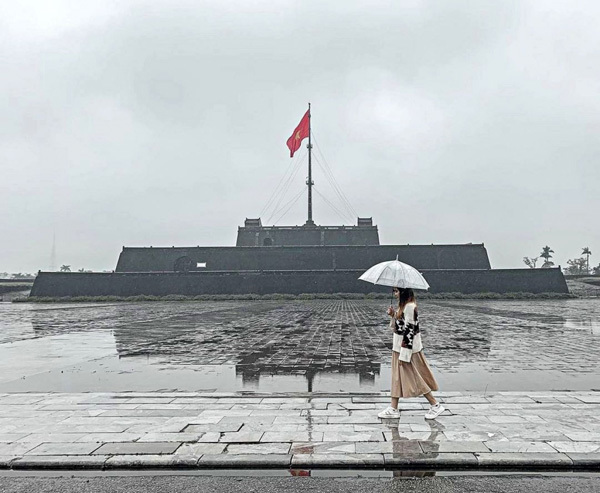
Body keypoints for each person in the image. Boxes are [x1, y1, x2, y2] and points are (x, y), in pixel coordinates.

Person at [378, 287, 445, 420]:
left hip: (407, 350)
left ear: (403, 292)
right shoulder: (403, 307)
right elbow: (397, 328)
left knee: (415, 378)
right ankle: (393, 408)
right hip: (398, 347)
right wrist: (393, 315)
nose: (395, 294)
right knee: (396, 378)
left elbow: (409, 331)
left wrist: (404, 355)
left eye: (396, 291)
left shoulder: (410, 307)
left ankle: (435, 404)